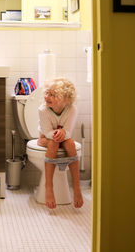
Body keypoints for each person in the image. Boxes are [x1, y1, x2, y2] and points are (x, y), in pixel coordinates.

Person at [37, 77, 83, 209]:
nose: (47, 97)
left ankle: (77, 188)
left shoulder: (72, 109)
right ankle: (49, 188)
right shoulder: (43, 110)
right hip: (45, 136)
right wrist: (56, 135)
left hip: (64, 136)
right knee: (53, 144)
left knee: (70, 144)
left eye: (53, 95)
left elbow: (68, 130)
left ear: (66, 99)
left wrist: (64, 133)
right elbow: (46, 131)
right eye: (47, 93)